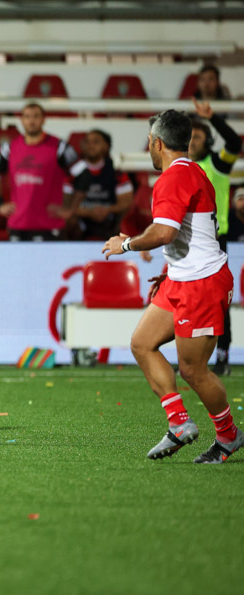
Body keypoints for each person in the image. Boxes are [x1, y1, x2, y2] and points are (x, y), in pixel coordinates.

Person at [103, 109, 240, 464]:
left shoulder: (174, 177)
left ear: (157, 143)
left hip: (202, 283)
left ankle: (229, 436)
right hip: (181, 278)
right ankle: (179, 422)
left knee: (193, 369)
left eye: (149, 141)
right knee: (142, 343)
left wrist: (125, 244)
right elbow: (192, 233)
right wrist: (169, 270)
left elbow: (164, 232)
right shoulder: (191, 171)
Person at [188, 98, 241, 375]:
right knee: (188, 300)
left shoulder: (218, 164)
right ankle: (189, 357)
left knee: (218, 301)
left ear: (208, 141)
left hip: (213, 243)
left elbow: (234, 142)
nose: (192, 141)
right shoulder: (181, 168)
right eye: (189, 137)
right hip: (186, 241)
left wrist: (212, 118)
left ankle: (223, 356)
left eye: (197, 137)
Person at [0, 102, 82, 241]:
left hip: (50, 225)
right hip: (18, 224)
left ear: (43, 119)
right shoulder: (10, 147)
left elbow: (83, 175)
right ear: (22, 120)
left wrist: (70, 210)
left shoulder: (59, 147)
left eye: (36, 116)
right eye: (27, 117)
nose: (31, 121)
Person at [68, 130, 133, 240]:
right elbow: (65, 205)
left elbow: (127, 203)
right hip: (80, 219)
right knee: (69, 219)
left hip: (109, 218)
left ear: (106, 146)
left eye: (96, 142)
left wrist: (107, 210)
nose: (90, 145)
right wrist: (89, 212)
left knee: (127, 217)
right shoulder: (72, 172)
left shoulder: (116, 173)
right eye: (87, 142)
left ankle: (120, 245)